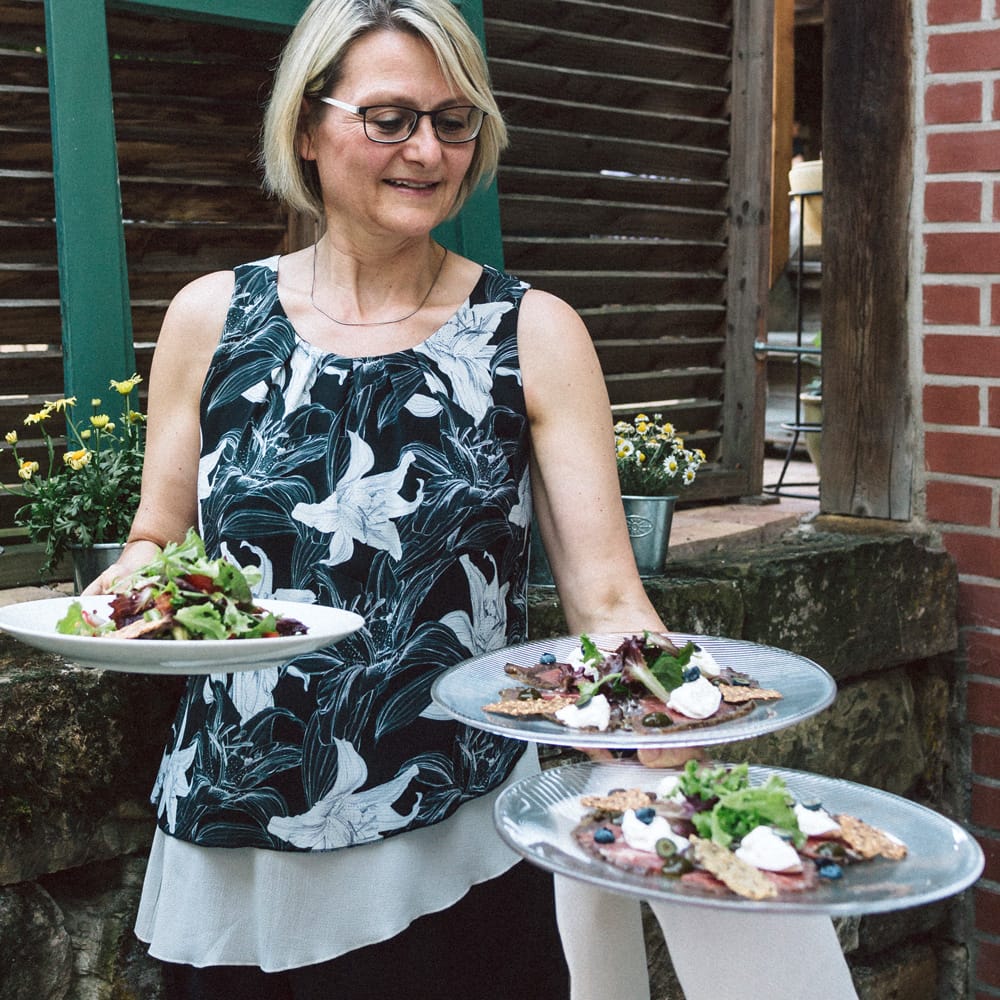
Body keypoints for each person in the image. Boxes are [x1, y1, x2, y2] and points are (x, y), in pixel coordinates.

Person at [87, 1, 859, 997]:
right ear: (308, 128)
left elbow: (608, 605)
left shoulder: (531, 332)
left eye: (453, 121)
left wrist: (695, 771)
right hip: (235, 829)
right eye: (390, 118)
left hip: (450, 837)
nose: (427, 150)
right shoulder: (210, 317)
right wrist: (124, 596)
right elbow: (158, 534)